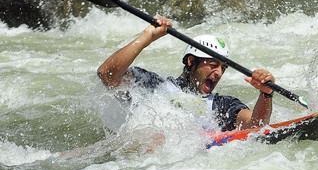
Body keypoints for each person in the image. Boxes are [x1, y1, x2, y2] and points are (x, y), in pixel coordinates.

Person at [97, 17, 275, 131]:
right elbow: (107, 74)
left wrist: (266, 94)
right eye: (213, 65)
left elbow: (256, 126)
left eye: (223, 67)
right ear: (191, 62)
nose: (219, 73)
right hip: (137, 156)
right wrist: (147, 37)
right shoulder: (153, 86)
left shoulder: (222, 106)